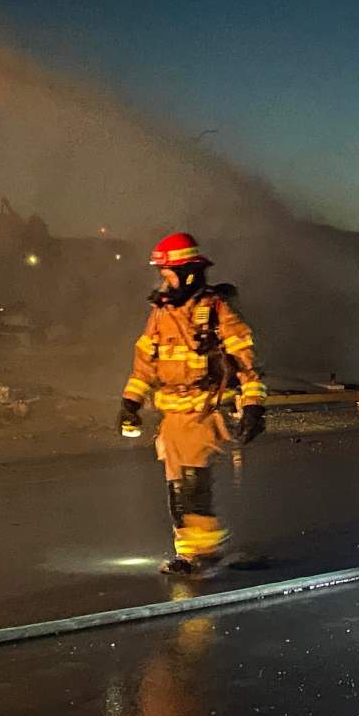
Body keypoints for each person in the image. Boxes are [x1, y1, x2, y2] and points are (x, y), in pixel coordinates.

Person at [118, 232, 267, 575]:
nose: (163, 280)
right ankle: (191, 552)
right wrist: (130, 402)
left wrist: (253, 404)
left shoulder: (216, 309)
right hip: (172, 417)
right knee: (178, 488)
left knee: (191, 484)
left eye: (168, 273)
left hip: (205, 410)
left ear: (187, 273)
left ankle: (200, 554)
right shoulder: (161, 313)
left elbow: (246, 361)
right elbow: (144, 363)